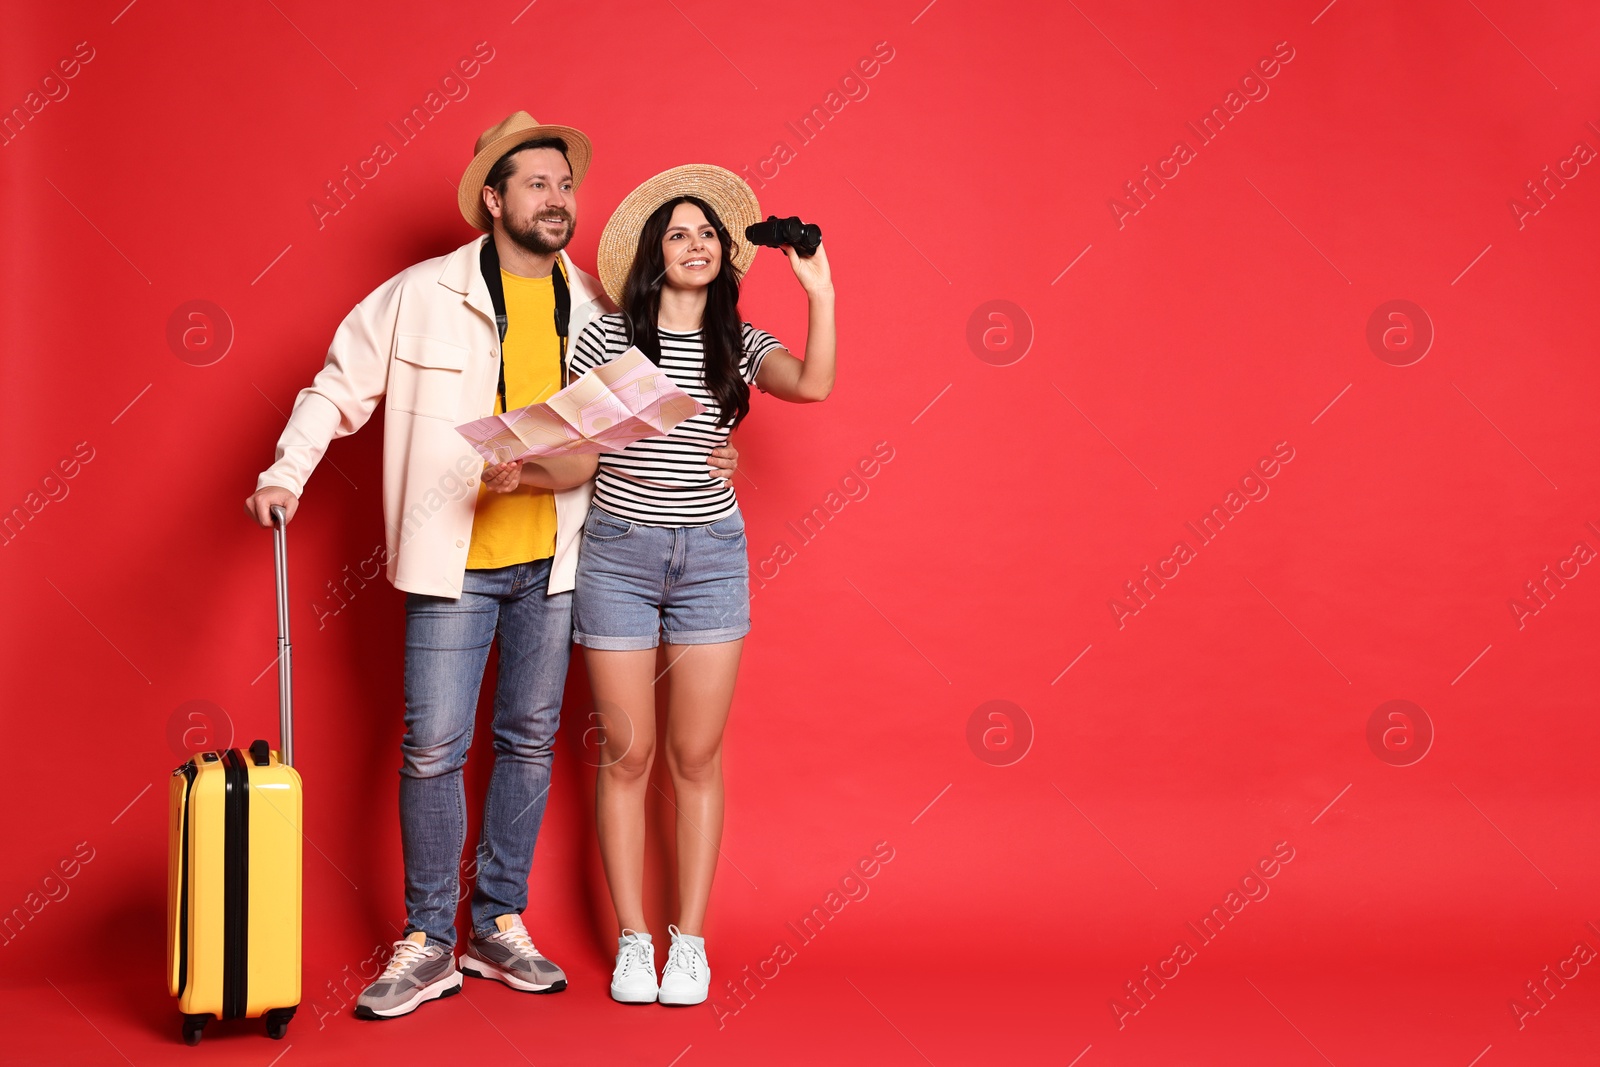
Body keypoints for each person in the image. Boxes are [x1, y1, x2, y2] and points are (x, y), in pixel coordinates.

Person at [241, 115, 745, 1020]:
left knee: (526, 742)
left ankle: (498, 921)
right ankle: (431, 937)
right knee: (433, 747)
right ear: (493, 198)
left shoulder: (597, 303)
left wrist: (721, 451)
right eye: (539, 185)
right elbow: (336, 387)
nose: (558, 200)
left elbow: (664, 405)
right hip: (453, 560)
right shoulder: (418, 294)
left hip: (558, 559)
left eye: (565, 186)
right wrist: (285, 474)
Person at [562, 163, 834, 1005]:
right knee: (627, 751)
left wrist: (819, 292)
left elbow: (813, 383)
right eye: (678, 233)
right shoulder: (606, 339)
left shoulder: (739, 345)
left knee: (695, 754)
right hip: (618, 553)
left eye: (707, 234)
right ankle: (634, 942)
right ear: (653, 254)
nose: (695, 244)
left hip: (712, 554)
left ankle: (691, 942)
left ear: (726, 255)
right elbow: (570, 448)